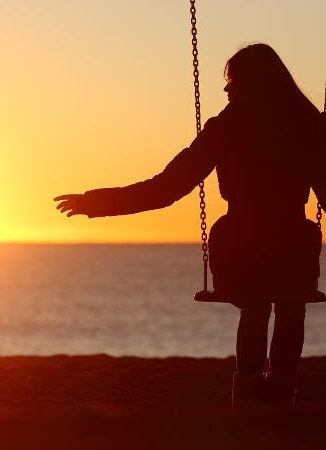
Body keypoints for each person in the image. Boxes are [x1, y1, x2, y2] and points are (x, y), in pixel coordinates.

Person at [54, 44, 326, 409]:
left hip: (242, 246)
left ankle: (248, 394)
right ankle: (281, 392)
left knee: (257, 304)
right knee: (291, 305)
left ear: (249, 84)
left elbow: (165, 188)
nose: (226, 91)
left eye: (232, 82)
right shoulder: (308, 124)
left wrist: (98, 203)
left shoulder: (227, 127)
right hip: (293, 246)